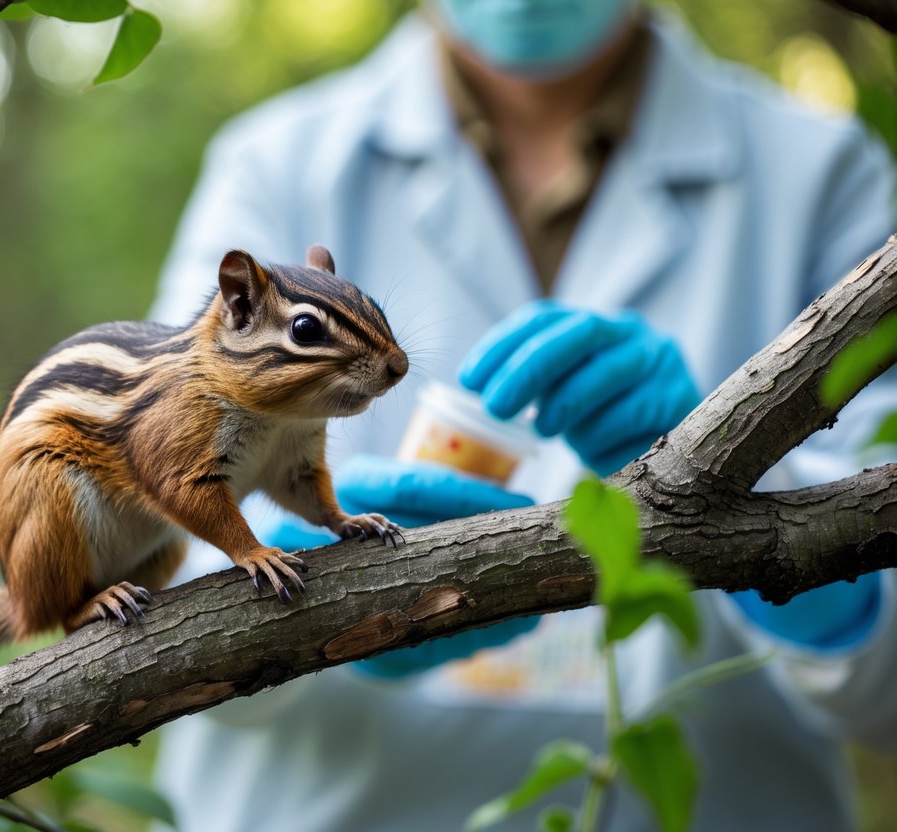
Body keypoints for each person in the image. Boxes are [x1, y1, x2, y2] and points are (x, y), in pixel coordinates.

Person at [148, 1, 897, 829]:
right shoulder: (275, 164)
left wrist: (792, 538)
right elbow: (150, 565)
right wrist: (285, 590)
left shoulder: (823, 169)